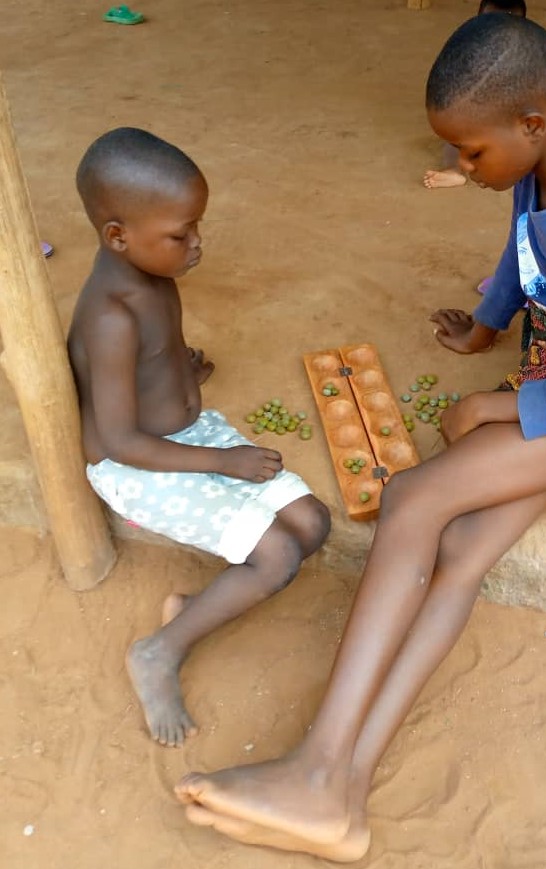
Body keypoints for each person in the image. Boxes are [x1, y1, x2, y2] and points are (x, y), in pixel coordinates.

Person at [172, 15, 546, 861]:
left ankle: (320, 764)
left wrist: (497, 405)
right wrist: (487, 327)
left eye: (471, 155)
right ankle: (341, 795)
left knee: (414, 498)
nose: (459, 168)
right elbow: (524, 244)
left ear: (530, 125)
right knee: (463, 547)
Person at [68, 128, 330, 748]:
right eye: (180, 234)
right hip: (138, 466)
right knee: (279, 556)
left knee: (313, 523)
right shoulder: (110, 316)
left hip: (184, 434)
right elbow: (122, 440)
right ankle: (158, 652)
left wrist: (179, 371)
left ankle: (194, 608)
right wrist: (223, 460)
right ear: (117, 235)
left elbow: (152, 361)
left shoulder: (149, 273)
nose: (196, 245)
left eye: (196, 227)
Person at [423, 0, 527, 191]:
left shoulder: (527, 54)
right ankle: (454, 170)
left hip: (509, 127)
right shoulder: (469, 50)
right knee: (455, 129)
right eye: (488, 24)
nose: (496, 33)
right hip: (474, 121)